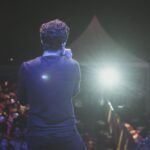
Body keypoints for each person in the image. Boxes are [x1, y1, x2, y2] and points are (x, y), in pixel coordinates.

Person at [17, 19, 86, 150]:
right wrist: (68, 59)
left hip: (38, 135)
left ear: (42, 41)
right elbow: (74, 93)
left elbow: (22, 100)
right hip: (66, 133)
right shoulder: (73, 65)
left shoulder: (27, 67)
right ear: (64, 42)